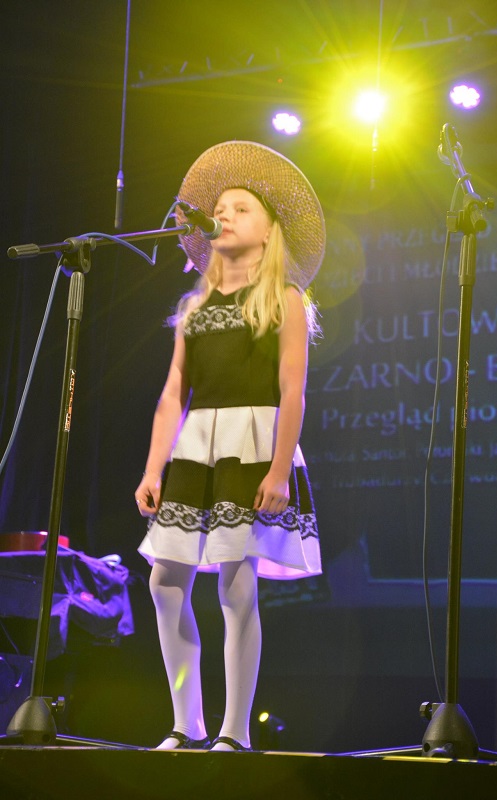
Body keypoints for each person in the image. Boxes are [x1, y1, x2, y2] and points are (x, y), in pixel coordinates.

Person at [135, 140, 326, 752]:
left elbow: (293, 392)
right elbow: (173, 393)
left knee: (234, 584)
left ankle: (234, 731)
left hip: (253, 445)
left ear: (269, 230)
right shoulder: (194, 306)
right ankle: (185, 721)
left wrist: (279, 470)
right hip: (197, 448)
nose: (225, 215)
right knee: (164, 581)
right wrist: (154, 467)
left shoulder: (284, 298)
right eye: (219, 209)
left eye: (241, 208)